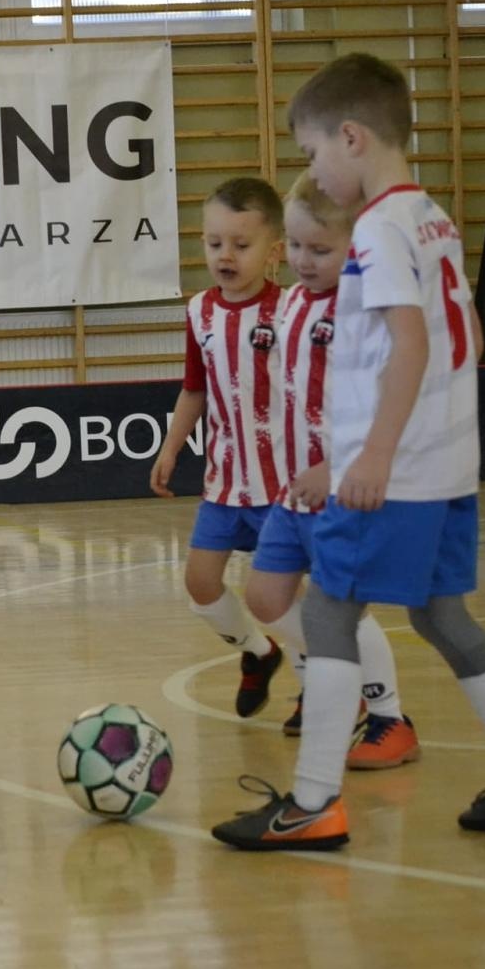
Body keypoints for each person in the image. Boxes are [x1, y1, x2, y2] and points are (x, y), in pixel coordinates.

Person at [212, 52, 485, 851]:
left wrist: (370, 455)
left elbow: (410, 342)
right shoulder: (431, 217)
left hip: (396, 471)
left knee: (329, 612)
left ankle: (312, 803)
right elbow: (470, 337)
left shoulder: (375, 229)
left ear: (351, 138)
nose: (313, 171)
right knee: (442, 615)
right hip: (447, 468)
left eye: (312, 153)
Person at [242, 171, 418, 768]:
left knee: (339, 609)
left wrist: (335, 465)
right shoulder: (291, 303)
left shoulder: (363, 310)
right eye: (295, 246)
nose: (303, 260)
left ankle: (391, 718)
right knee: (265, 597)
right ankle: (342, 674)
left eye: (320, 249)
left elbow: (387, 402)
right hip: (293, 492)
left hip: (342, 490)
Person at [149, 178, 290, 718]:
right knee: (200, 584)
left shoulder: (289, 311)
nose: (225, 255)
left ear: (274, 251)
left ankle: (318, 687)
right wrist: (171, 448)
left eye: (241, 244)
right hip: (225, 484)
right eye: (214, 244)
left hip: (281, 485)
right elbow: (195, 388)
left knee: (281, 597)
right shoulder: (199, 312)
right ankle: (258, 653)